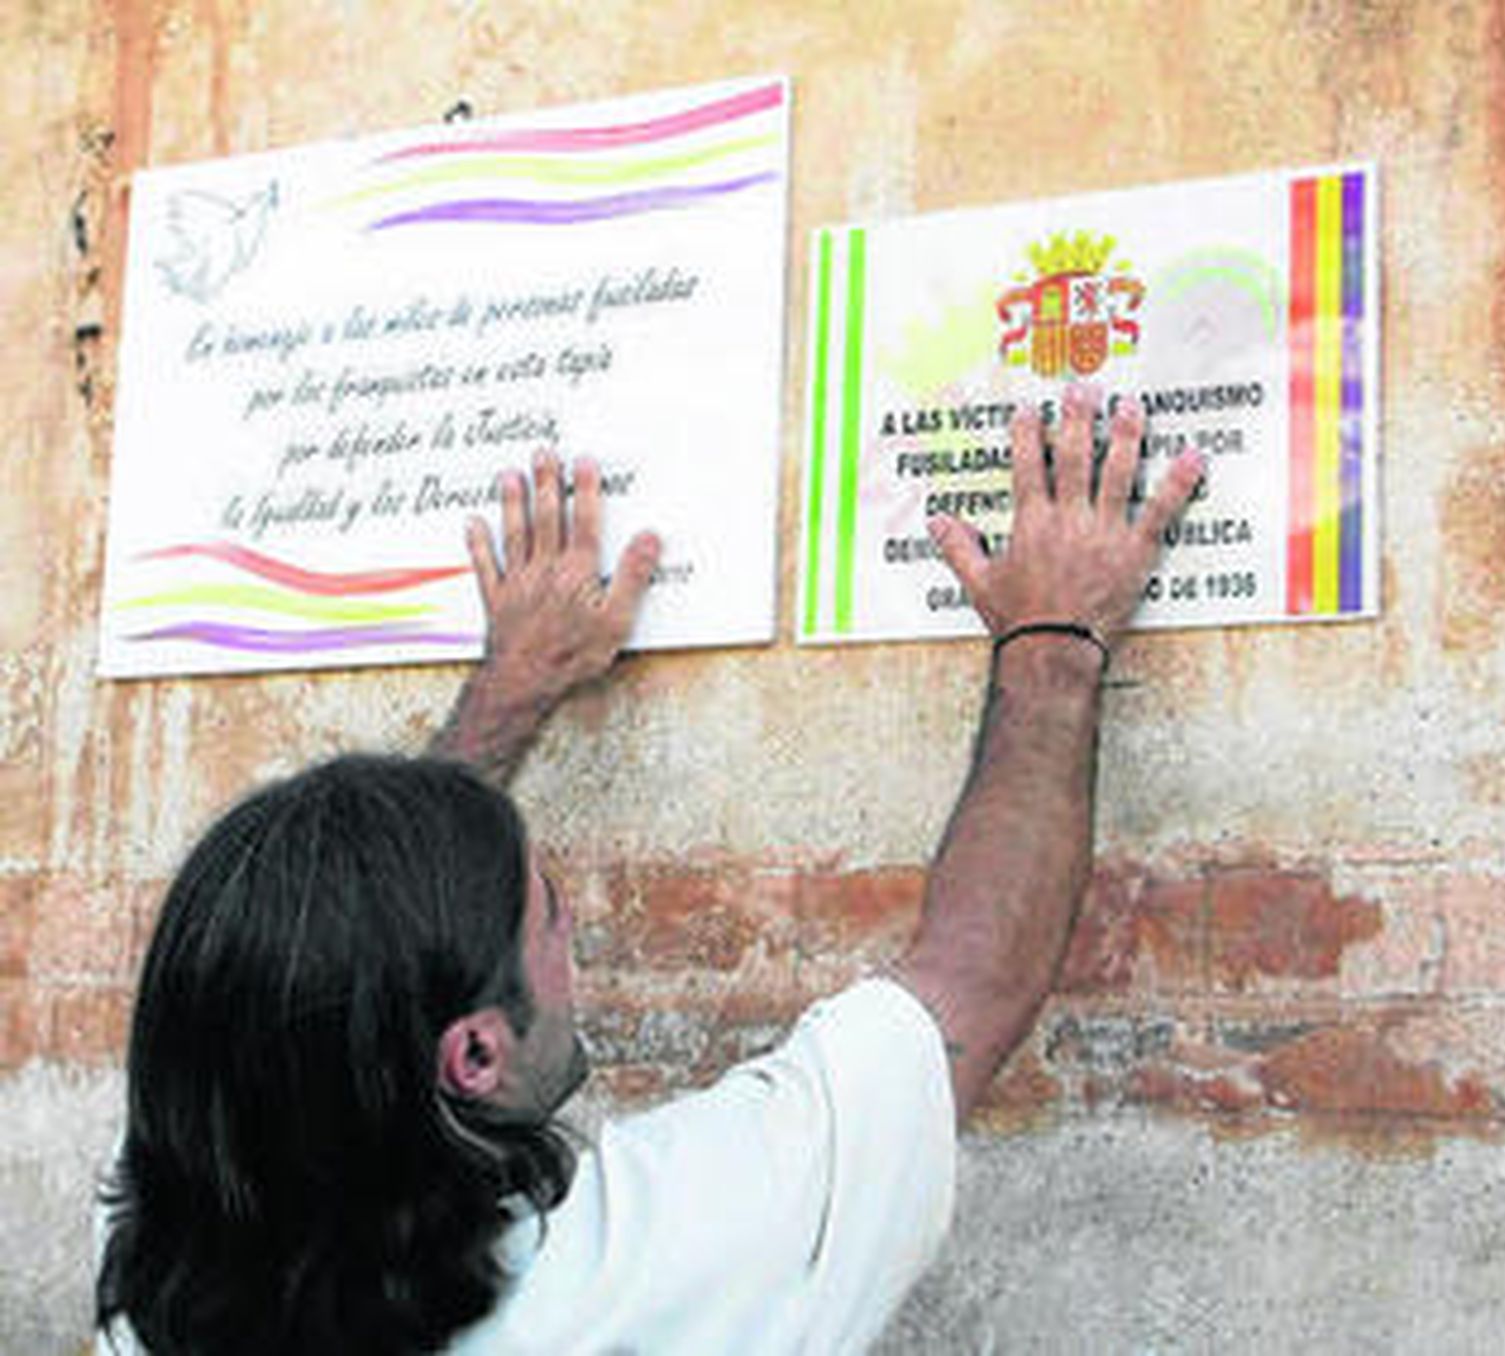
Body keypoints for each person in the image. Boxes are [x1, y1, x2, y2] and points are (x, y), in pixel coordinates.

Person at [96, 386, 1203, 1355]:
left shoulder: (156, 1287)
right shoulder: (649, 1271)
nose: (570, 933)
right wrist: (1053, 639)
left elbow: (340, 948)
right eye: (549, 915)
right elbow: (971, 984)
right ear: (474, 1054)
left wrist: (510, 688)